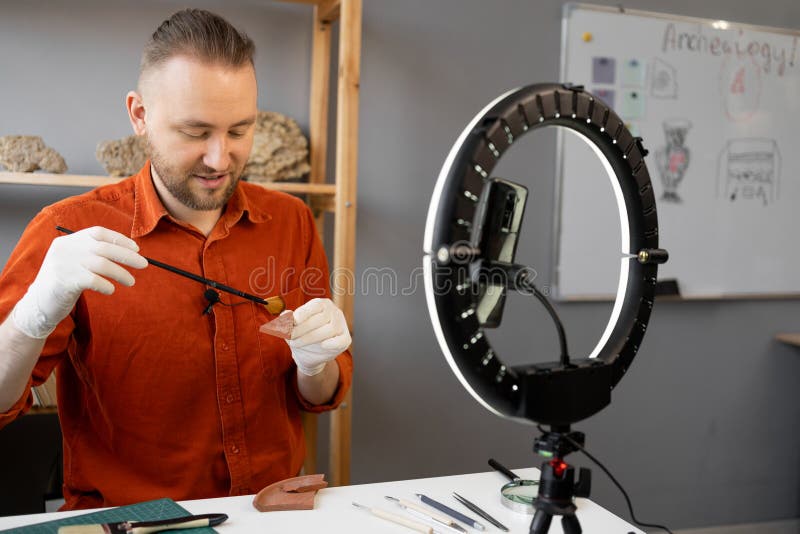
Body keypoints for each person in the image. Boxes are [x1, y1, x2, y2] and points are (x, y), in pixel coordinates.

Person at [0, 9, 353, 510]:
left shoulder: (291, 220)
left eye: (239, 131)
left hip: (274, 514)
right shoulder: (68, 228)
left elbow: (320, 395)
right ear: (139, 115)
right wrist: (33, 316)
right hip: (132, 521)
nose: (218, 158)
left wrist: (316, 362)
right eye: (195, 131)